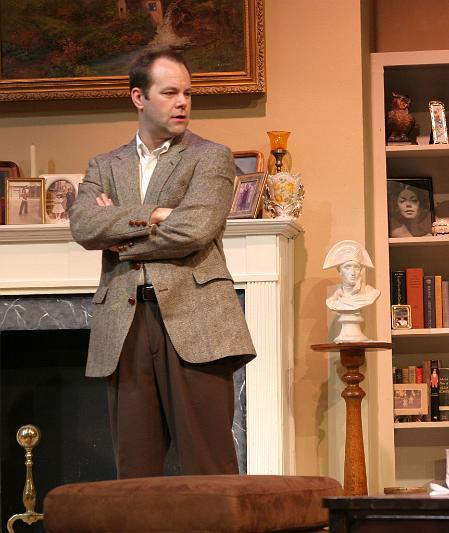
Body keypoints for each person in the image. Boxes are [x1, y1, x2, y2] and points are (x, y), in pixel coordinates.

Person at [69, 48, 256, 479]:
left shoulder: (210, 156)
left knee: (209, 466)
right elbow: (84, 226)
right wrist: (155, 215)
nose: (182, 102)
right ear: (139, 97)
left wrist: (119, 237)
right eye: (170, 93)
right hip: (125, 323)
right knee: (135, 472)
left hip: (195, 320)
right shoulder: (104, 165)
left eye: (187, 93)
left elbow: (195, 230)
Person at [323, 240, 380, 312]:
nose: (353, 273)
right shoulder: (333, 300)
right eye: (347, 267)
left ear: (360, 270)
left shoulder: (370, 293)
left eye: (356, 267)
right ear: (339, 271)